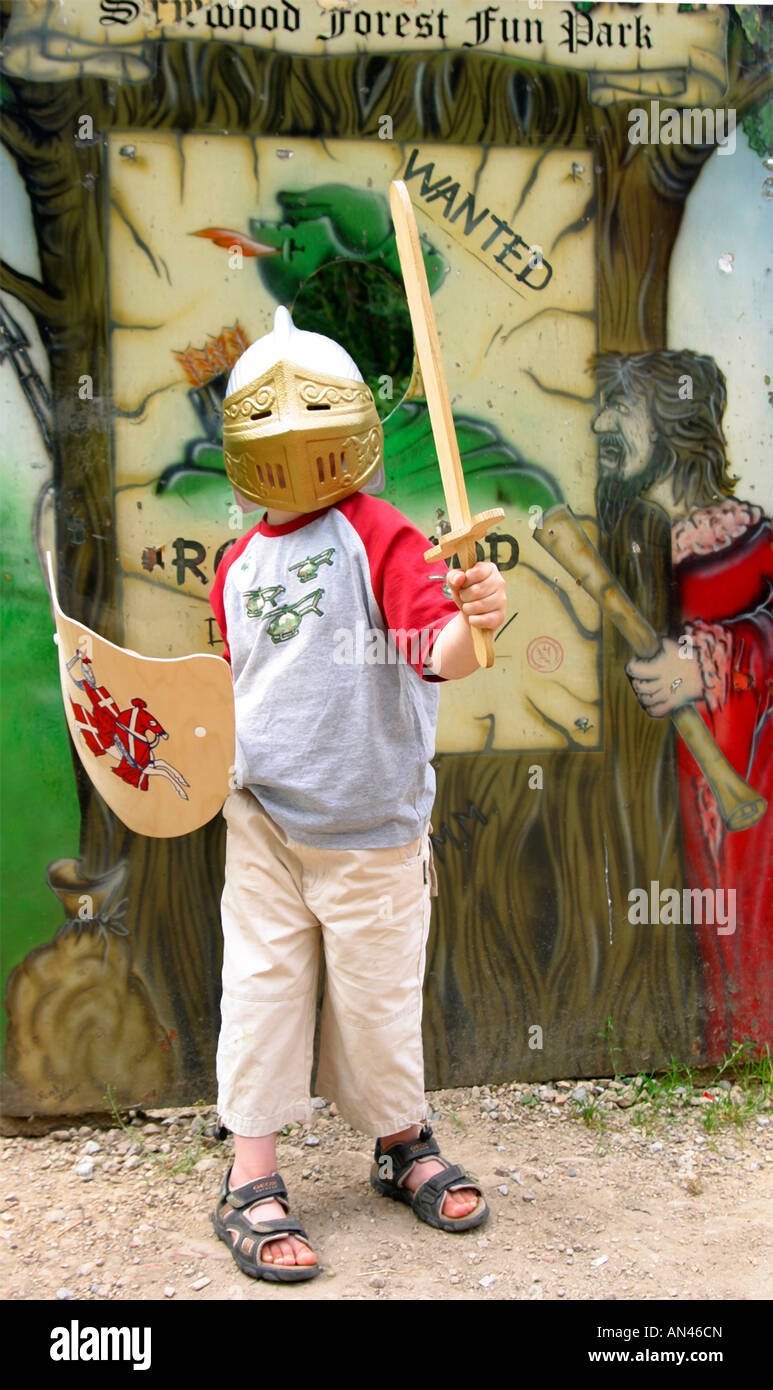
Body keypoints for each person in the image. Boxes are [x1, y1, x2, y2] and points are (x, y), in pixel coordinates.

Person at [208, 306, 507, 1280]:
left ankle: (398, 1139)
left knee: (378, 1000)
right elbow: (230, 687)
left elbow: (439, 654)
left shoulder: (377, 533)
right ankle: (250, 1175)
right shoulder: (235, 565)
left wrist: (477, 618)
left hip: (372, 830)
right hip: (261, 823)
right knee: (259, 994)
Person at [592, 348, 772, 1061]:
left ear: (672, 423)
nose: (601, 422)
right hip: (675, 790)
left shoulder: (741, 536)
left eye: (620, 407)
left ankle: (749, 1049)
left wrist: (704, 662)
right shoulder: (634, 535)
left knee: (745, 914)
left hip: (743, 779)